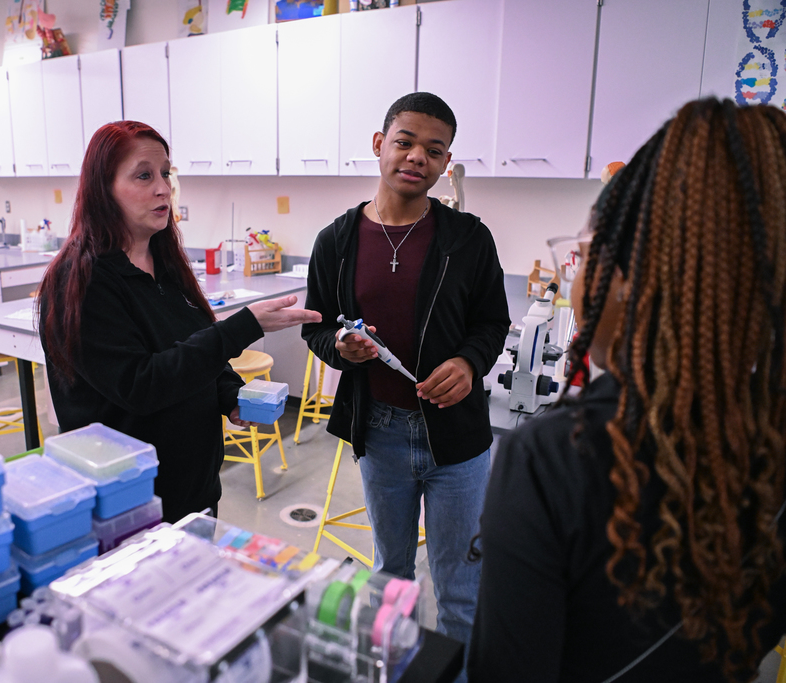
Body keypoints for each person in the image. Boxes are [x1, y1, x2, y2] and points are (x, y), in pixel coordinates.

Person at [468, 99, 786, 682]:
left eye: (584, 254)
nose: (577, 276)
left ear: (632, 277)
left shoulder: (550, 461)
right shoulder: (766, 430)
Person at [301, 92, 510, 663]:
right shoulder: (336, 241)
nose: (418, 156)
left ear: (446, 163)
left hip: (458, 441)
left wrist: (469, 362)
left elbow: (493, 322)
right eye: (406, 141)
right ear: (380, 144)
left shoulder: (468, 238)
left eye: (434, 150)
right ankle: (388, 672)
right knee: (389, 575)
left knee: (460, 589)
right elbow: (315, 329)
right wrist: (341, 347)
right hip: (382, 434)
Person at [37, 121, 319, 524]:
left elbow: (192, 347)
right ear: (103, 187)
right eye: (144, 175)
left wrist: (229, 394)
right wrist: (243, 327)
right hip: (131, 502)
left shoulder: (164, 264)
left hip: (194, 489)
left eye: (166, 174)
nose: (163, 188)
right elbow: (141, 385)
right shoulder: (82, 280)